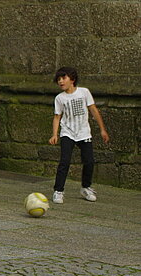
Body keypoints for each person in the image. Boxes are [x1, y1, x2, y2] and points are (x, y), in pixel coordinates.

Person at [49, 67, 110, 204]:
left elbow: (93, 110)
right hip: (67, 132)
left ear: (72, 79)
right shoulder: (60, 98)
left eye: (63, 78)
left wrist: (102, 129)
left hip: (83, 132)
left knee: (89, 161)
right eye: (58, 79)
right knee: (64, 161)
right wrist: (55, 134)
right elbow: (57, 117)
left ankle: (86, 187)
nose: (60, 81)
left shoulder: (84, 92)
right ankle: (58, 191)